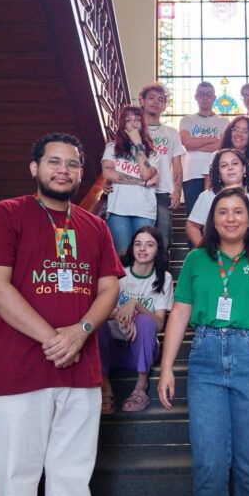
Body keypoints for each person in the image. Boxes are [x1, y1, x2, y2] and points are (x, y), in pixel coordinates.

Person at [0, 132, 123, 496]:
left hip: (80, 372)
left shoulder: (96, 226)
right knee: (15, 479)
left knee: (72, 479)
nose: (63, 170)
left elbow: (110, 289)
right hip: (17, 370)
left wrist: (82, 330)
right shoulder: (6, 214)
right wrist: (56, 339)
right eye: (54, 161)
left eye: (72, 163)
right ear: (34, 167)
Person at [157, 187, 249, 496]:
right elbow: (180, 313)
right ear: (212, 219)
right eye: (222, 212)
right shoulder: (196, 259)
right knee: (208, 463)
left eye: (238, 211)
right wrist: (166, 368)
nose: (230, 218)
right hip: (205, 358)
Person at [98, 226, 173, 414]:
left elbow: (159, 324)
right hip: (111, 351)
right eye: (138, 244)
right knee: (96, 325)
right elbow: (96, 313)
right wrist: (120, 314)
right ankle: (104, 386)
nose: (142, 249)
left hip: (139, 350)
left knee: (146, 322)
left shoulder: (164, 278)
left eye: (149, 245)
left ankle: (141, 386)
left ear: (157, 250)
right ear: (132, 248)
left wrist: (135, 305)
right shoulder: (118, 275)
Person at [102, 105, 160, 255]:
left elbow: (146, 174)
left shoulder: (153, 153)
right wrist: (142, 183)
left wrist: (138, 144)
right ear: (122, 124)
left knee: (142, 255)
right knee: (122, 255)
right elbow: (108, 173)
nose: (133, 124)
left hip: (144, 210)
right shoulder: (111, 148)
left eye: (137, 120)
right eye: (128, 120)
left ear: (143, 124)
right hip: (118, 209)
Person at [140, 81, 184, 248]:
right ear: (142, 101)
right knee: (140, 241)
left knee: (163, 240)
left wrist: (177, 190)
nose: (155, 102)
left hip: (162, 192)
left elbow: (177, 165)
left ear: (164, 106)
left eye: (160, 99)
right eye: (151, 98)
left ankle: (162, 275)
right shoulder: (133, 130)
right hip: (137, 190)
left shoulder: (171, 133)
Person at [180, 81, 228, 216]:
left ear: (214, 97)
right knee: (194, 215)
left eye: (208, 94)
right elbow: (188, 144)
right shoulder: (187, 120)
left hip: (216, 174)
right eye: (201, 94)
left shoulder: (223, 121)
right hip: (191, 174)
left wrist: (197, 143)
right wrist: (214, 139)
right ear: (196, 97)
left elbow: (221, 146)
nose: (205, 97)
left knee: (215, 215)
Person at [186, 148, 249, 247]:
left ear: (244, 168)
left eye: (235, 163)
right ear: (218, 173)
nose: (230, 168)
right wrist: (204, 252)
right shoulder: (208, 196)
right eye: (224, 165)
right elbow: (191, 226)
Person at [203, 114, 249, 189]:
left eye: (245, 131)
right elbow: (208, 186)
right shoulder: (215, 156)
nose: (239, 134)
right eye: (235, 129)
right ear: (229, 132)